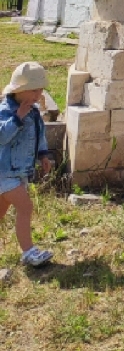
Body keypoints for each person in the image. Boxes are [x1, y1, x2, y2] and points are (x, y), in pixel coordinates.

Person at [0, 61, 54, 267]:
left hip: (19, 171)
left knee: (1, 212)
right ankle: (29, 252)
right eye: (34, 90)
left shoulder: (33, 111)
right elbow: (2, 137)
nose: (38, 95)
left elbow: (39, 134)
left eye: (40, 90)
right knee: (26, 207)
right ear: (20, 90)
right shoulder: (5, 110)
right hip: (5, 171)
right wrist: (17, 118)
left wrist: (43, 155)